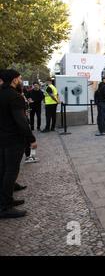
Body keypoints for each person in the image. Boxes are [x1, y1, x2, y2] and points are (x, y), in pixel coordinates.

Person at [0, 69, 37, 219]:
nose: (21, 80)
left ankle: (6, 200)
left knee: (3, 170)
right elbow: (21, 121)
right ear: (14, 80)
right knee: (11, 171)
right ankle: (4, 207)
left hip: (2, 139)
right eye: (20, 78)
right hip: (13, 140)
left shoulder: (1, 93)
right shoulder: (15, 97)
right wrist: (31, 138)